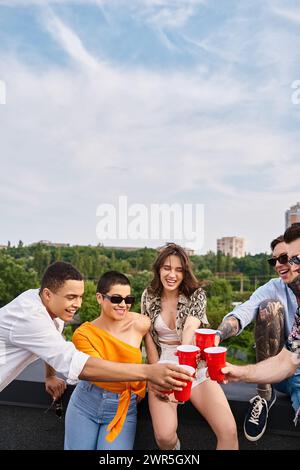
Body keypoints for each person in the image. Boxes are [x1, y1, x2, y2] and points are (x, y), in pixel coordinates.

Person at [0, 261, 193, 402]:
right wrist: (149, 371)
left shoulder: (45, 302)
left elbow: (50, 340)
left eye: (80, 296)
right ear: (48, 294)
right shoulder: (30, 317)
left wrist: (50, 375)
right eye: (71, 297)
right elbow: (80, 366)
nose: (77, 304)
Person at [142, 243, 238, 450]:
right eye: (167, 268)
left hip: (192, 363)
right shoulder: (148, 296)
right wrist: (153, 373)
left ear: (185, 272)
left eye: (178, 270)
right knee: (165, 437)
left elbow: (190, 328)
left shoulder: (196, 294)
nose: (172, 275)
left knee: (228, 430)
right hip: (163, 365)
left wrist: (185, 369)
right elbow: (148, 336)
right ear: (158, 269)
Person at [221, 223, 300, 436]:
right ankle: (265, 396)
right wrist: (218, 335)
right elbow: (246, 309)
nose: (280, 265)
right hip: (283, 368)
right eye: (274, 260)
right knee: (268, 308)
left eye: (287, 258)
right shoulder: (274, 287)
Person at [64, 271, 151, 450]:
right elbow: (99, 371)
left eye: (128, 300)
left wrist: (149, 383)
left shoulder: (141, 324)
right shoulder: (83, 334)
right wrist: (145, 373)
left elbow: (154, 359)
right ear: (99, 298)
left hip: (124, 406)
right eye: (116, 299)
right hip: (86, 403)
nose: (123, 305)